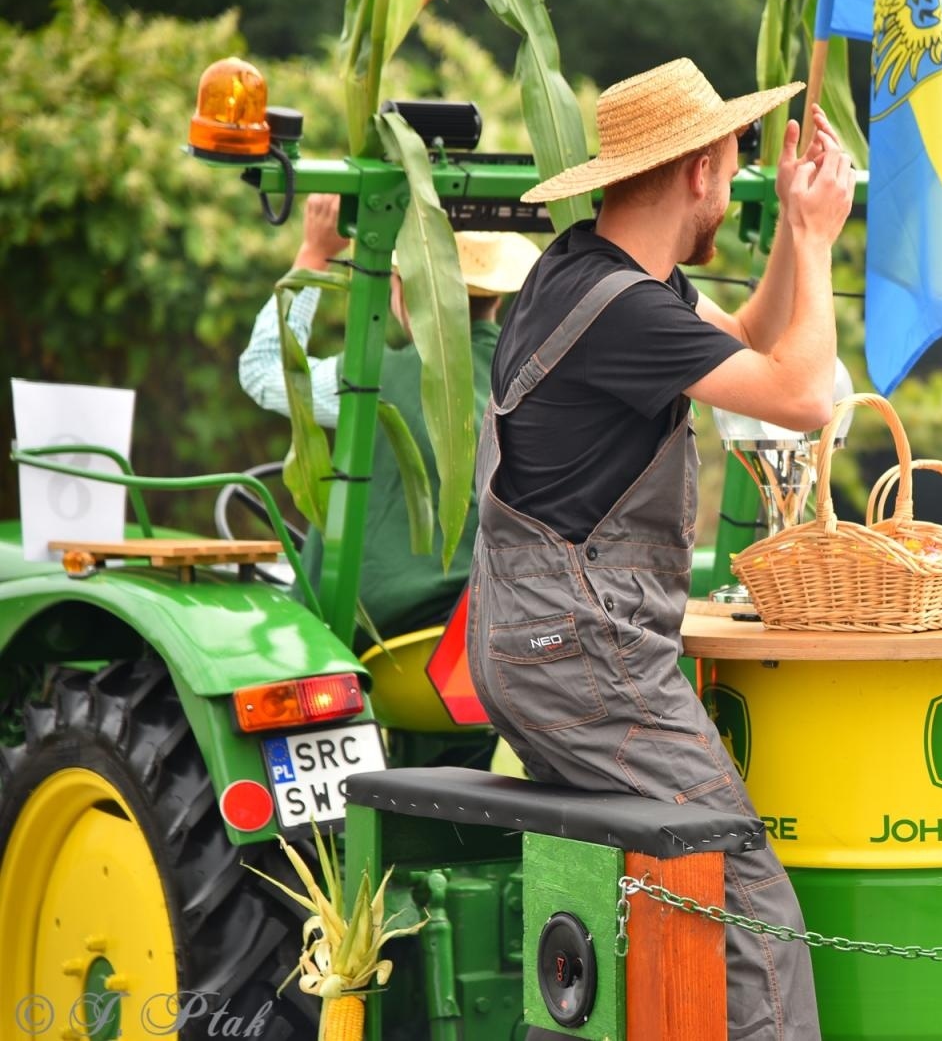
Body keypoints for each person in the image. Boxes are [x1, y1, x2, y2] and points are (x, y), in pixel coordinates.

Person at [465, 58, 853, 1040]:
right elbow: (804, 396)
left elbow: (755, 338)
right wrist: (816, 242)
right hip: (583, 656)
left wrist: (793, 238)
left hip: (538, 645)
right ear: (698, 170)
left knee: (645, 893)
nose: (737, 176)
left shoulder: (586, 276)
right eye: (734, 157)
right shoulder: (624, 309)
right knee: (744, 893)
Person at [238, 192, 541, 639]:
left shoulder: (371, 379)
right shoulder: (538, 380)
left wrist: (314, 254)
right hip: (482, 633)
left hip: (370, 637)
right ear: (496, 294)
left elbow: (262, 371)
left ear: (405, 289)